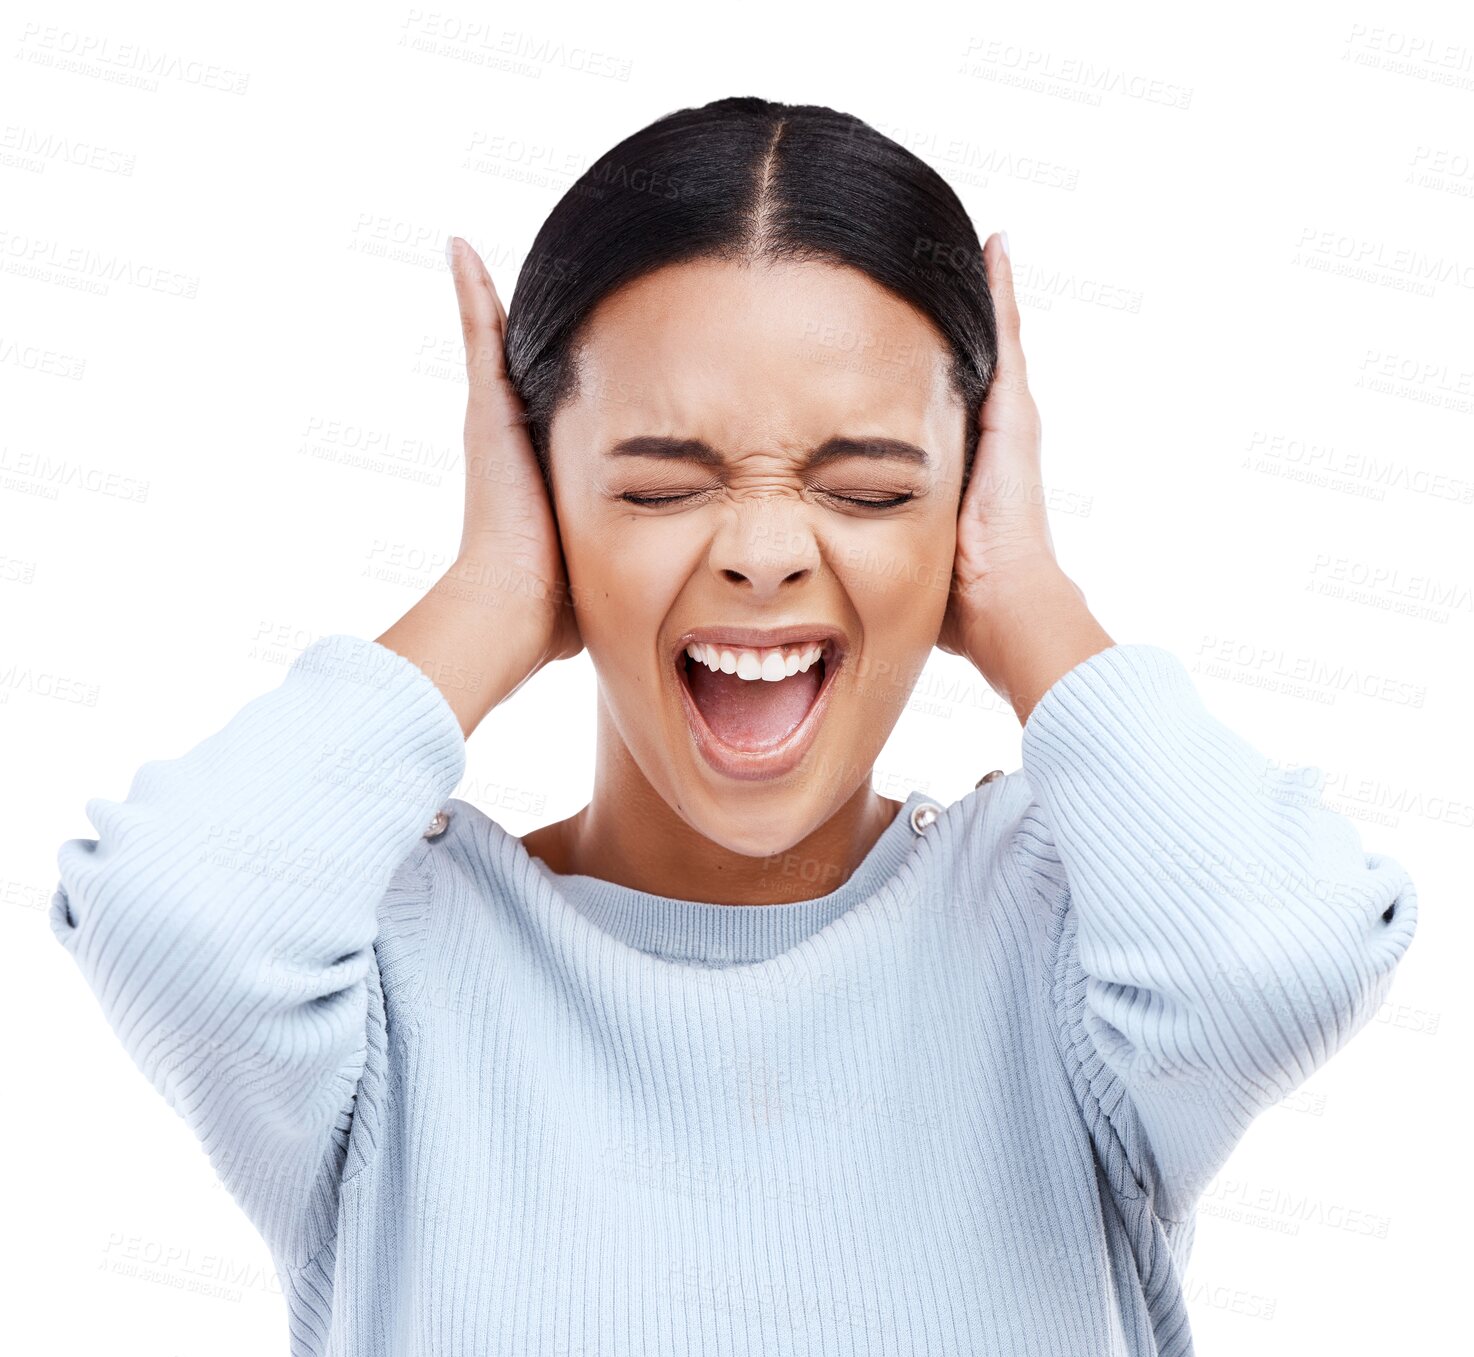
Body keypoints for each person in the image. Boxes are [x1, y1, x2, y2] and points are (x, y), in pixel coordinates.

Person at [50, 97, 1418, 1356]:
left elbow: (1282, 953)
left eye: (870, 488)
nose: (763, 550)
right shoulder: (391, 972)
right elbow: (169, 913)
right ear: (537, 491)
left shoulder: (1068, 941)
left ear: (966, 509)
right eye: (656, 487)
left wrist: (1030, 601)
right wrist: (488, 595)